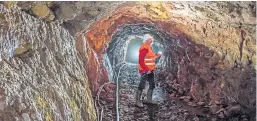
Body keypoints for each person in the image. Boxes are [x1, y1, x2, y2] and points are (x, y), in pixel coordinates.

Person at [135, 34, 162, 108]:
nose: (152, 40)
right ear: (147, 40)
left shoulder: (149, 47)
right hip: (144, 70)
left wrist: (157, 55)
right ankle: (137, 102)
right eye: (150, 39)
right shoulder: (144, 48)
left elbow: (151, 57)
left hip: (150, 70)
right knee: (142, 85)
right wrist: (146, 70)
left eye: (152, 39)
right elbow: (141, 61)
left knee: (152, 84)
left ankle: (149, 100)